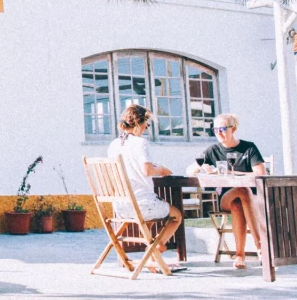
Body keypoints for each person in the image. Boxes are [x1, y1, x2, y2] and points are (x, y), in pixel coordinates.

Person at [107, 104, 184, 271]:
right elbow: (147, 170)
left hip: (121, 207)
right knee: (177, 215)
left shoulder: (113, 145)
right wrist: (161, 170)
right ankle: (157, 247)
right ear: (139, 122)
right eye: (146, 124)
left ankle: (150, 257)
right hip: (140, 204)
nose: (146, 128)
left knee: (147, 220)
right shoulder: (141, 142)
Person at [189, 113, 266, 269]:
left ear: (233, 129)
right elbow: (191, 169)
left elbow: (261, 173)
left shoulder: (248, 148)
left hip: (252, 200)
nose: (219, 133)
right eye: (215, 130)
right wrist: (201, 168)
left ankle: (239, 255)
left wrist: (234, 173)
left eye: (223, 129)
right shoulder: (212, 150)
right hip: (225, 198)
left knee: (239, 201)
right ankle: (260, 246)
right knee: (242, 191)